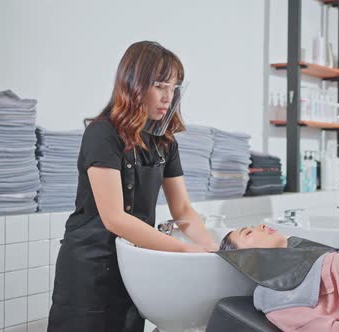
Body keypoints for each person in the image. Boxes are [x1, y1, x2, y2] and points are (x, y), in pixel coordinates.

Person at [48, 41, 218, 332]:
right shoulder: (102, 133)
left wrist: (213, 251)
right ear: (134, 84)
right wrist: (183, 251)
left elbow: (183, 208)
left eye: (173, 87)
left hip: (132, 266)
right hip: (89, 268)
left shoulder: (165, 142)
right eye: (160, 86)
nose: (168, 97)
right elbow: (114, 217)